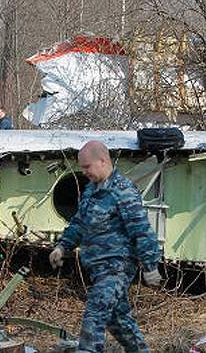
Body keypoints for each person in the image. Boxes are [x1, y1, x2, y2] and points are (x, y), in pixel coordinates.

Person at [49, 140, 161, 353]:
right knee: (119, 322)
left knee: (95, 315)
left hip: (117, 266)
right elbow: (79, 223)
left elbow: (141, 229)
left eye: (87, 167)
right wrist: (62, 247)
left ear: (102, 161)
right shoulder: (91, 191)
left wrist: (150, 265)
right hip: (98, 268)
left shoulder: (123, 191)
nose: (84, 172)